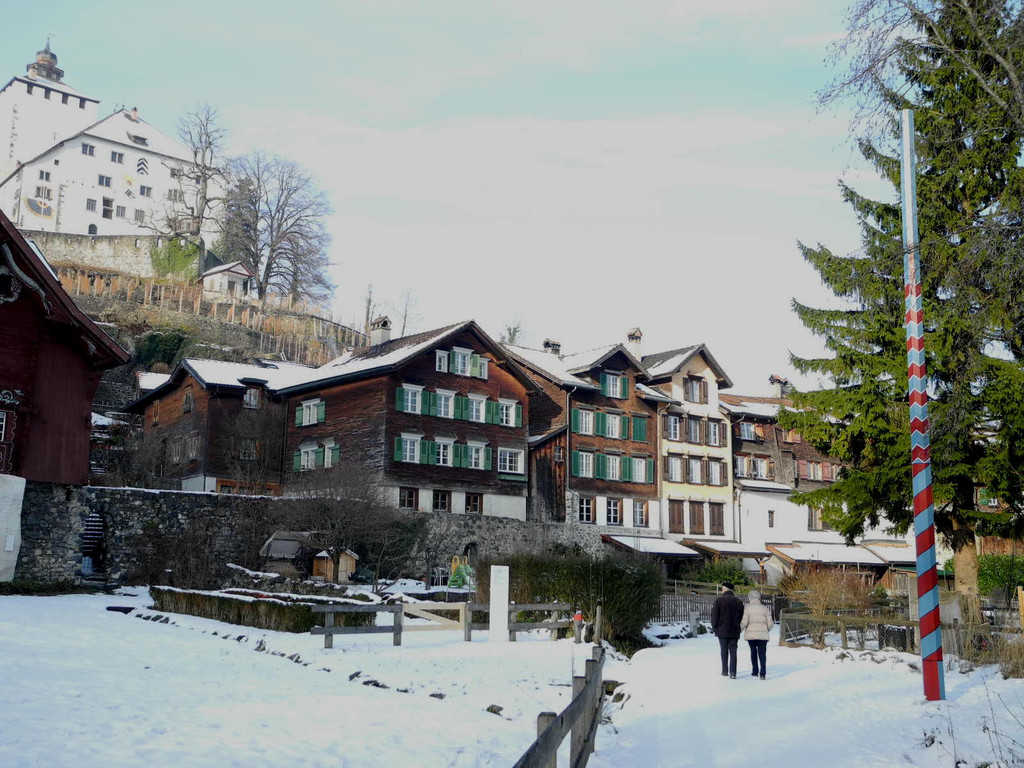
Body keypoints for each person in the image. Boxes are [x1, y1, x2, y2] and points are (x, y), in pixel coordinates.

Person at [710, 581, 744, 679]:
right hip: (734, 630)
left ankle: (725, 671)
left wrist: (715, 627)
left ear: (725, 589)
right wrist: (739, 627)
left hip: (722, 630)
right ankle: (733, 672)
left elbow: (714, 616)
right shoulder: (738, 602)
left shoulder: (718, 601)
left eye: (722, 588)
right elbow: (742, 616)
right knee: (733, 652)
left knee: (723, 651)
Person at [741, 590, 774, 680]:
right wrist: (766, 629)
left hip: (751, 634)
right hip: (762, 634)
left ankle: (755, 671)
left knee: (753, 652)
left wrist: (741, 628)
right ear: (759, 597)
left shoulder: (747, 608)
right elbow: (770, 622)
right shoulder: (764, 608)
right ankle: (763, 673)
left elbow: (744, 621)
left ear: (750, 598)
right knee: (762, 653)